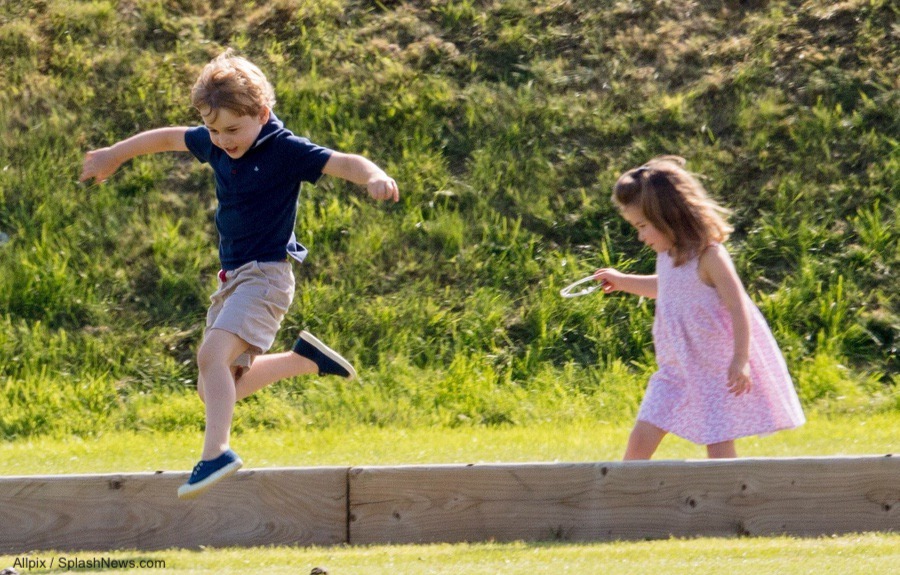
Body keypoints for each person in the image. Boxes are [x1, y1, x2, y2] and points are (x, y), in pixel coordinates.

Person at [80, 50, 399, 498]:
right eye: (214, 129)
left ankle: (217, 454)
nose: (223, 140)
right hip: (232, 280)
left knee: (211, 356)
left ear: (262, 114)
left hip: (266, 276)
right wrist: (114, 154)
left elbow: (344, 162)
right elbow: (166, 139)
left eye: (233, 129)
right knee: (214, 387)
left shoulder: (284, 149)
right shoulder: (213, 140)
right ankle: (303, 360)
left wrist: (374, 176)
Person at [594, 156, 804, 460]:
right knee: (641, 437)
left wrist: (741, 359)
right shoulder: (667, 255)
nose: (640, 236)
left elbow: (738, 306)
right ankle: (624, 497)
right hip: (674, 368)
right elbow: (668, 288)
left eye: (642, 226)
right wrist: (623, 281)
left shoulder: (710, 256)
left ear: (668, 216)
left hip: (712, 369)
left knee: (718, 448)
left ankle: (730, 502)